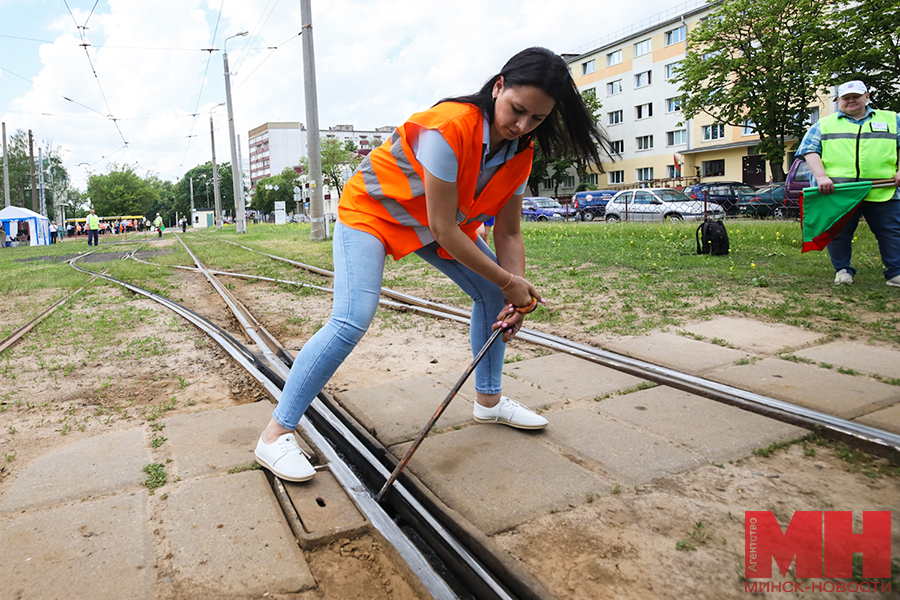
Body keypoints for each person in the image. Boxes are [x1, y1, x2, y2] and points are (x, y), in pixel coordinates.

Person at [253, 47, 612, 482]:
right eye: (517, 110)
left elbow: (509, 232)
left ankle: (490, 402)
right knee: (352, 319)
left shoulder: (521, 152)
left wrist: (515, 289)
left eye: (536, 119)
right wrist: (510, 283)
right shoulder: (447, 128)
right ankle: (275, 435)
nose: (522, 126)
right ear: (498, 86)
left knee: (493, 292)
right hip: (375, 212)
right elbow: (445, 229)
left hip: (430, 222)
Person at [798, 80, 900, 287]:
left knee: (891, 231)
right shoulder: (825, 124)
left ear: (867, 97)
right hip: (840, 191)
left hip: (883, 189)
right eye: (846, 98)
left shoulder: (892, 119)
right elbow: (808, 150)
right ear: (839, 100)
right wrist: (821, 177)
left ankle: (895, 273)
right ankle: (842, 271)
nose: (851, 100)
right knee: (839, 233)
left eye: (856, 96)